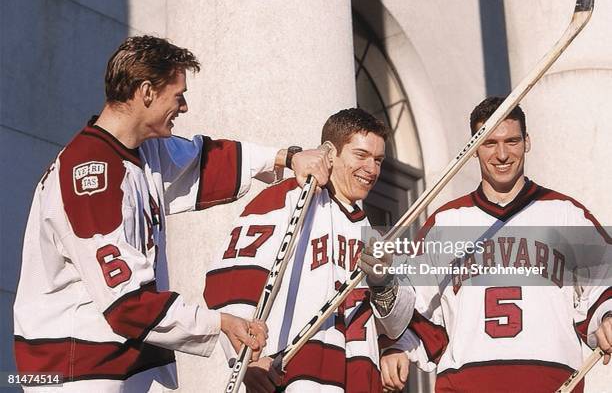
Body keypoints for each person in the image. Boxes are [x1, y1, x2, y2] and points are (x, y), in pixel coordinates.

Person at [13, 35, 331, 392]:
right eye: (178, 95)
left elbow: (206, 160)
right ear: (147, 92)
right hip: (79, 370)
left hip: (123, 361)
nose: (184, 107)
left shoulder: (142, 152)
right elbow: (126, 304)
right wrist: (219, 322)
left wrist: (288, 157)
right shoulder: (92, 175)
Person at [379, 97, 612, 392]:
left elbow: (605, 277)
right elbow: (415, 304)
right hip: (465, 384)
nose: (502, 154)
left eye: (512, 141)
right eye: (489, 143)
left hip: (551, 383)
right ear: (474, 148)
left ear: (527, 142)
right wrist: (396, 344)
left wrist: (607, 315)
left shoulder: (564, 213)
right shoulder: (448, 222)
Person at [204, 108, 413, 392]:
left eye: (378, 160)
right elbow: (232, 278)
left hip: (357, 381)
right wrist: (246, 360)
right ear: (330, 154)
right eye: (361, 156)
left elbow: (397, 323)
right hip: (292, 378)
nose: (372, 169)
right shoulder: (289, 201)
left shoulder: (374, 238)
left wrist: (384, 282)